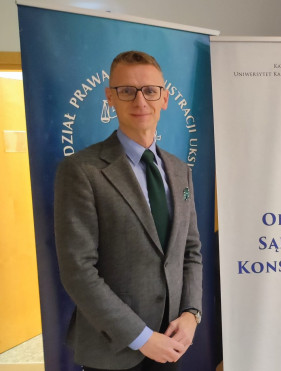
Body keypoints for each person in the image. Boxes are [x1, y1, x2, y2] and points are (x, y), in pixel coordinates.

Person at [54, 51, 202, 371]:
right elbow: (78, 270)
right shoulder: (81, 170)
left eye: (150, 90)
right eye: (127, 91)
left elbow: (190, 251)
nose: (140, 101)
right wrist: (141, 337)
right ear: (110, 98)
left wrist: (191, 313)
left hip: (171, 342)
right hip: (113, 348)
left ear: (164, 98)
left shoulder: (180, 171)